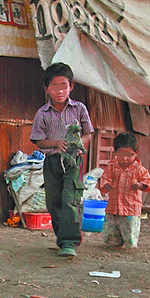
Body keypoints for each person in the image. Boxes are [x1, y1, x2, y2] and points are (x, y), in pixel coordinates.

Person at [30, 62, 94, 257]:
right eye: (55, 86)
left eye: (64, 86)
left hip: (73, 162)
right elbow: (38, 140)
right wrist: (56, 143)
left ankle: (69, 242)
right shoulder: (42, 113)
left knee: (70, 200)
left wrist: (77, 143)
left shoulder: (79, 108)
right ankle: (63, 238)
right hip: (52, 163)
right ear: (47, 89)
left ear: (71, 86)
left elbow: (89, 134)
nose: (60, 91)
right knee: (54, 202)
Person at [100, 132, 150, 249]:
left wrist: (139, 185)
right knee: (112, 228)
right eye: (121, 154)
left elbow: (148, 182)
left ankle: (128, 245)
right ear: (115, 152)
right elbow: (104, 179)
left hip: (131, 208)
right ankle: (115, 243)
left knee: (129, 230)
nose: (124, 158)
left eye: (129, 155)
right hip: (113, 207)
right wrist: (107, 186)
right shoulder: (111, 167)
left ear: (136, 153)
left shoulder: (139, 169)